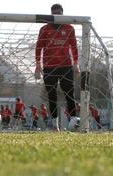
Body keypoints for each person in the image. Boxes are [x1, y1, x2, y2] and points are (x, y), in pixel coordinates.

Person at [35, 3, 80, 131]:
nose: (57, 16)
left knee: (69, 94)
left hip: (66, 66)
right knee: (52, 95)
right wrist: (38, 64)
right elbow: (39, 47)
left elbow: (74, 47)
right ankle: (55, 124)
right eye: (54, 13)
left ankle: (73, 122)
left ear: (62, 14)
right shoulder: (44, 29)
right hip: (49, 67)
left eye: (59, 13)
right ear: (51, 14)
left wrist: (76, 63)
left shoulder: (69, 28)